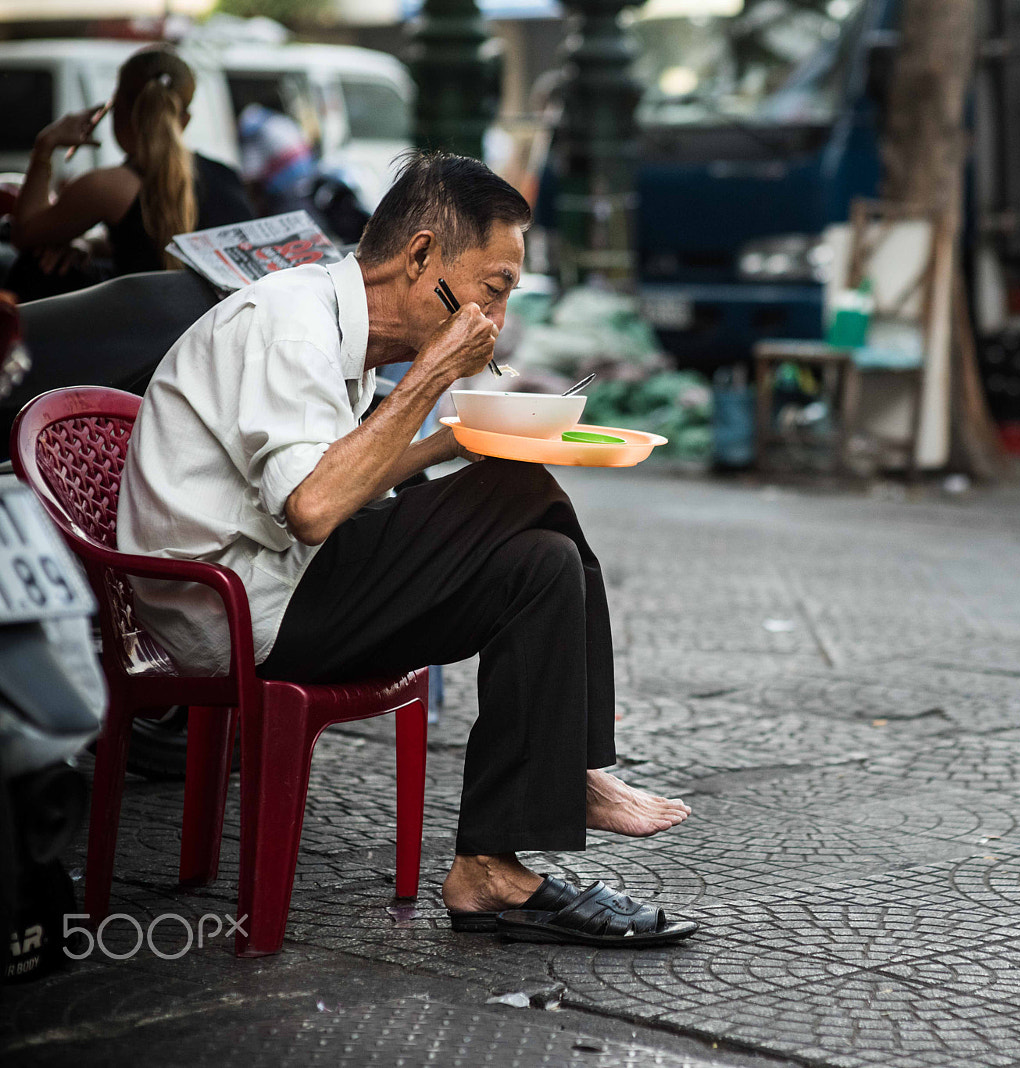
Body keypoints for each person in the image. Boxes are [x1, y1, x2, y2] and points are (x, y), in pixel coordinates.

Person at [117, 151, 697, 946]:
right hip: (234, 611)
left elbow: (348, 482)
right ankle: (575, 770)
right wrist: (429, 379)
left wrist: (456, 439)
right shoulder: (287, 324)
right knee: (521, 497)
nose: (492, 321)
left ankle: (489, 869)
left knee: (540, 564)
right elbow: (316, 506)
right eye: (492, 290)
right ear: (422, 257)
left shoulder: (338, 331)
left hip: (291, 582)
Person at [8, 46, 253, 299]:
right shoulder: (226, 175)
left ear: (118, 108)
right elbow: (154, 246)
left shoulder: (109, 186)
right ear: (185, 120)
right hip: (220, 328)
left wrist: (45, 147)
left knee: (34, 266)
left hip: (153, 332)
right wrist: (90, 245)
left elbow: (25, 234)